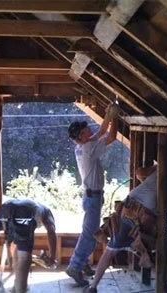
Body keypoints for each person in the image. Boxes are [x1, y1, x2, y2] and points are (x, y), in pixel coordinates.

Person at [65, 104, 120, 285]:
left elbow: (101, 132)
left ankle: (82, 264)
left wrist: (108, 115)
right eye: (86, 128)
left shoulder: (81, 147)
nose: (90, 128)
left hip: (90, 197)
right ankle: (75, 266)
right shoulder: (88, 148)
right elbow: (110, 135)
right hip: (93, 197)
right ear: (82, 135)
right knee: (89, 234)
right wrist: (115, 117)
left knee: (91, 231)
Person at [0, 199, 58, 293]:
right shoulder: (46, 212)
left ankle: (16, 287)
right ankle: (20, 289)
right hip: (25, 213)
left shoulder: (31, 206)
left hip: (5, 209)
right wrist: (53, 257)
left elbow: (15, 245)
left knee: (17, 248)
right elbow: (51, 231)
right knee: (24, 258)